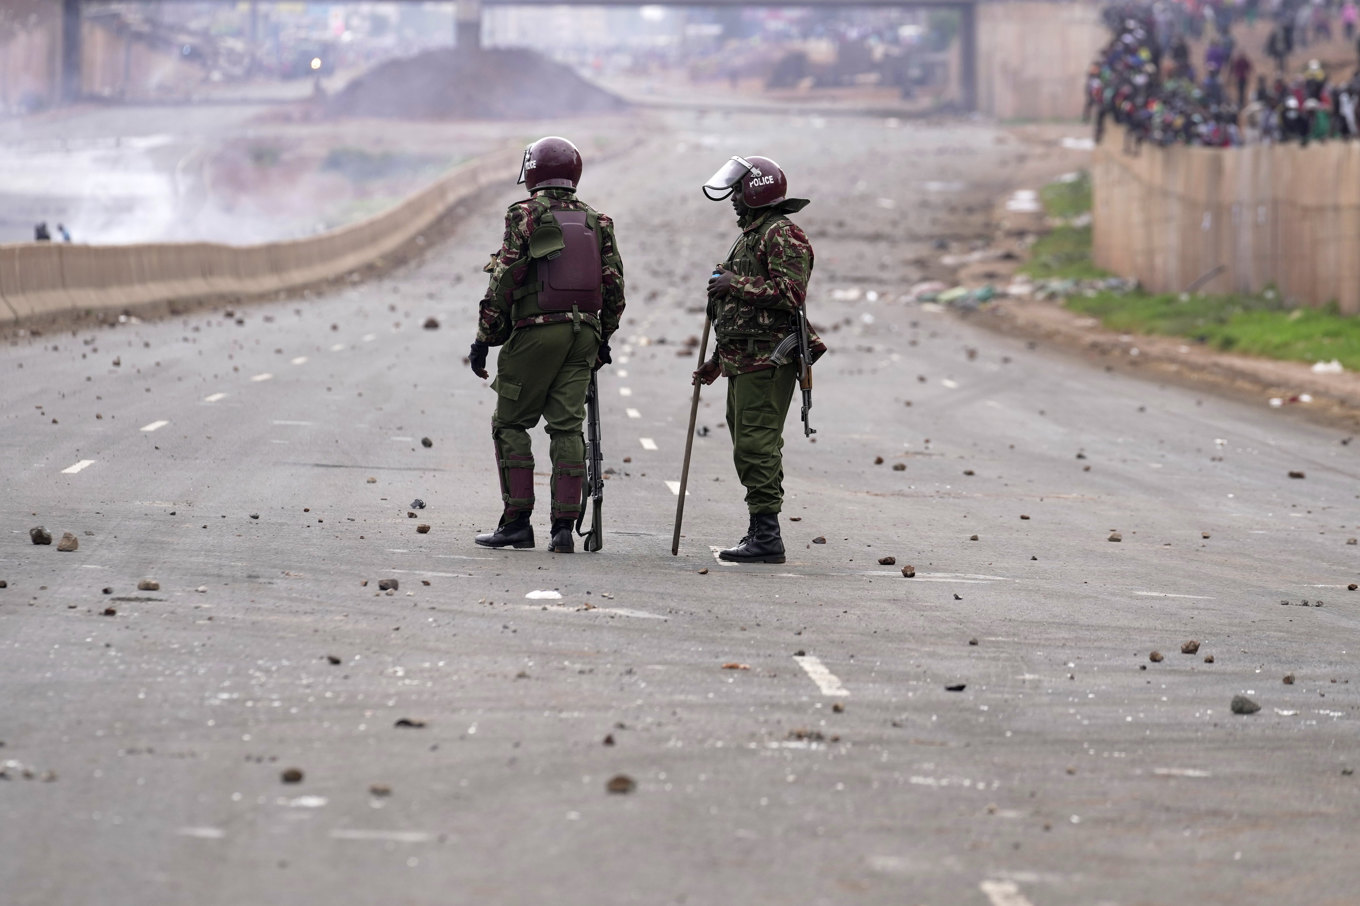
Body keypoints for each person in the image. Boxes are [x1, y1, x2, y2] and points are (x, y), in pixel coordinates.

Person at [467, 137, 625, 553]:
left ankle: (517, 522)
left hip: (536, 333)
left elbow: (504, 277)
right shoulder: (597, 221)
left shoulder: (524, 214)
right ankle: (562, 529)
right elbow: (615, 288)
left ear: (533, 172)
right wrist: (602, 339)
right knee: (567, 427)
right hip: (582, 337)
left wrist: (484, 338)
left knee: (510, 423)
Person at [693, 155, 826, 564]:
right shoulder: (753, 235)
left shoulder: (782, 234)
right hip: (743, 359)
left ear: (755, 192)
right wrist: (717, 359)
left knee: (756, 444)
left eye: (738, 192)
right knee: (747, 443)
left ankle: (767, 536)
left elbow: (791, 293)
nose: (733, 199)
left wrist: (736, 283)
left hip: (768, 360)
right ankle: (761, 530)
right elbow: (740, 310)